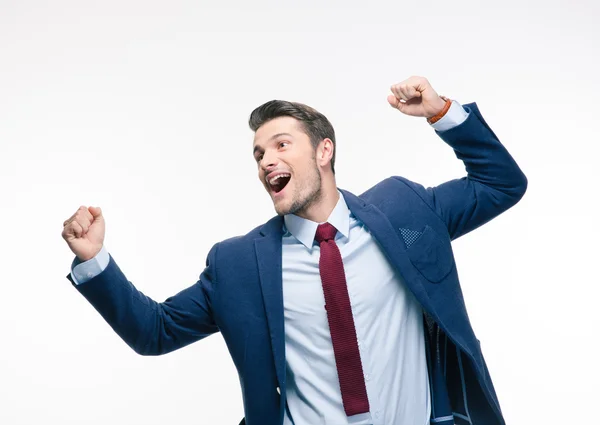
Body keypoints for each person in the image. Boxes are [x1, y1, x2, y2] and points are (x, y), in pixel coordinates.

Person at [62, 76, 527, 425]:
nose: (267, 161)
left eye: (281, 144)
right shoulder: (239, 265)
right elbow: (154, 331)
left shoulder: (405, 210)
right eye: (259, 154)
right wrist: (94, 261)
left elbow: (501, 184)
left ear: (324, 152)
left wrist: (442, 112)